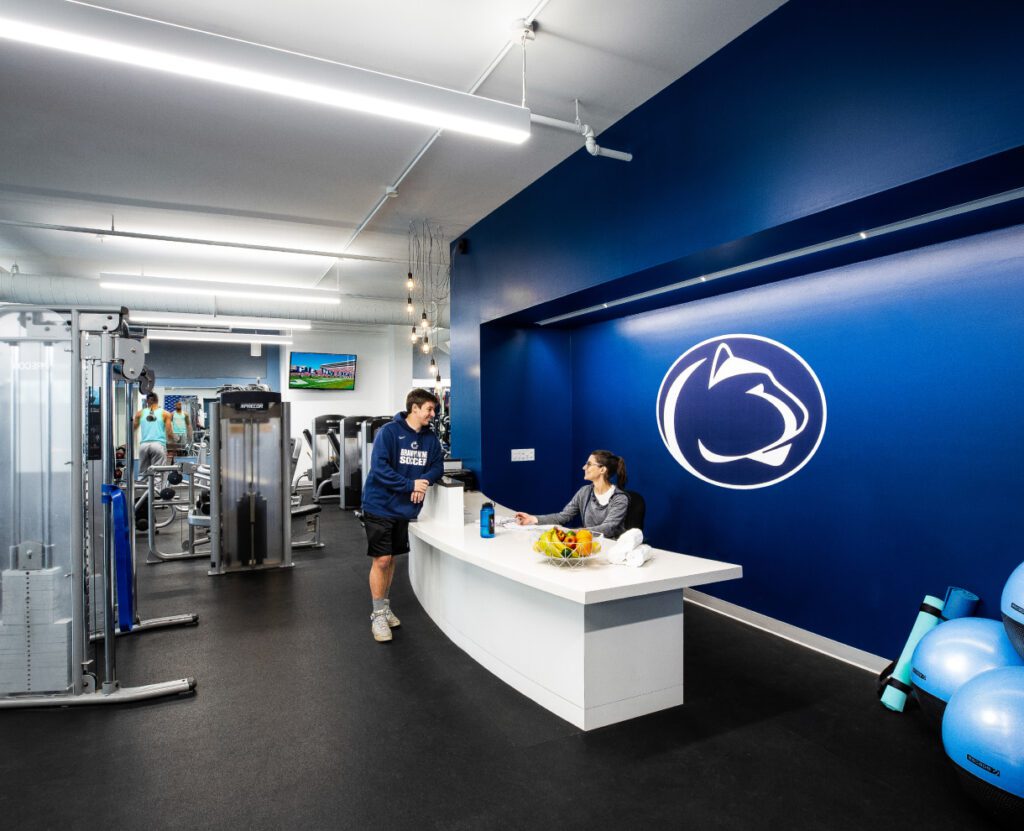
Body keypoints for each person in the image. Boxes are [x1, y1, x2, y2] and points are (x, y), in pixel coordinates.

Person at [360, 388, 444, 643]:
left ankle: (384, 608)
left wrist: (424, 480)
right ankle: (377, 615)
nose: (433, 414)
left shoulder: (430, 440)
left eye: (434, 409)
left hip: (403, 510)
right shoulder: (389, 432)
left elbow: (437, 467)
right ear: (414, 408)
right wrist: (411, 485)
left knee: (392, 558)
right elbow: (380, 468)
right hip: (379, 504)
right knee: (382, 559)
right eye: (429, 409)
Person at [515, 449, 630, 538]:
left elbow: (608, 528)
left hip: (612, 550)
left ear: (602, 470)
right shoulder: (584, 492)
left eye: (589, 464)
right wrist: (533, 519)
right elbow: (563, 516)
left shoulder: (619, 499)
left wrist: (574, 532)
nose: (584, 467)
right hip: (589, 545)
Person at [133, 392, 173, 484]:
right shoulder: (165, 413)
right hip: (158, 445)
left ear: (147, 401)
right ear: (157, 401)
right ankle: (155, 494)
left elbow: (133, 429)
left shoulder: (140, 413)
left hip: (144, 445)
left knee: (143, 473)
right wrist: (173, 443)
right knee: (158, 473)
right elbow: (169, 432)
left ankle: (141, 493)